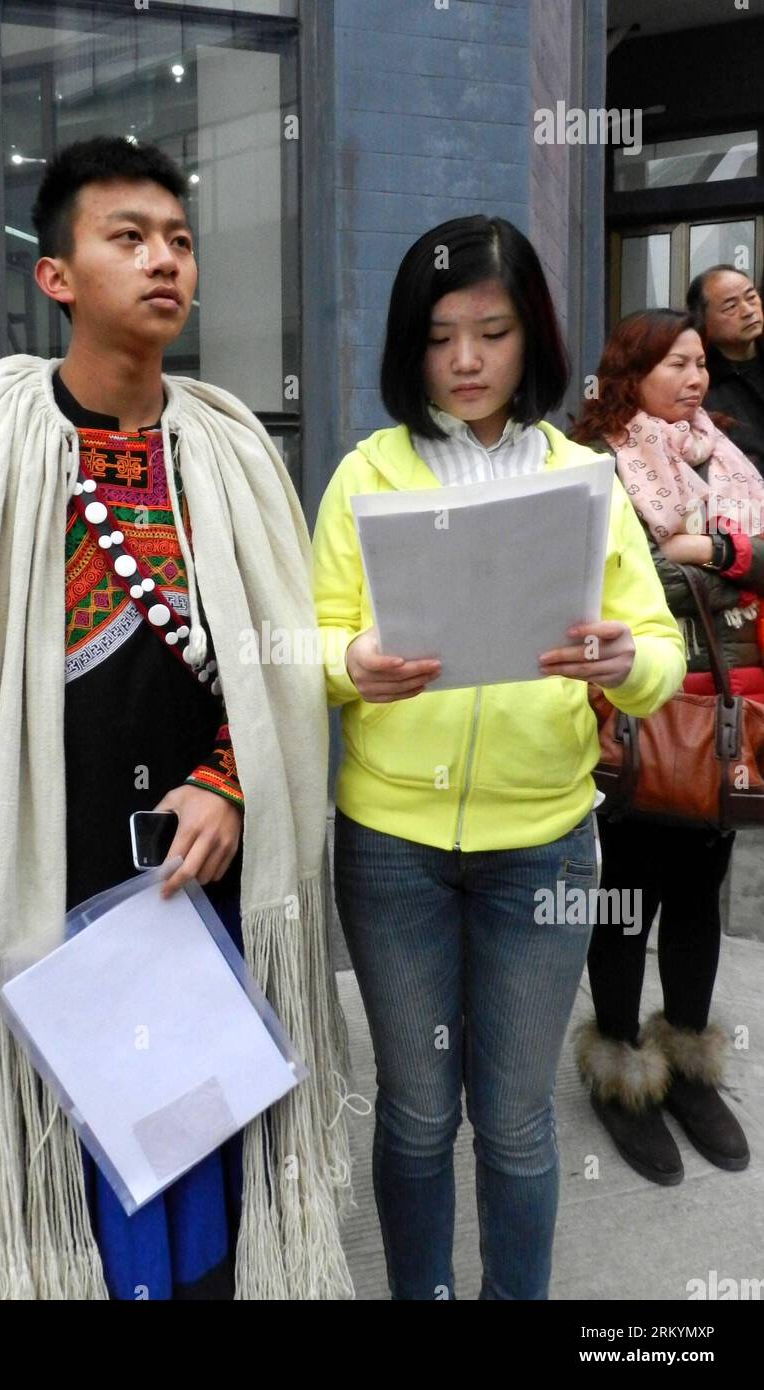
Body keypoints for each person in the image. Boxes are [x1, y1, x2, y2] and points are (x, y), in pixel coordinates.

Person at [0, 137, 352, 1301]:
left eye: (178, 239)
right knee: (59, 1159)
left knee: (199, 1138)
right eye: (128, 238)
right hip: (36, 860)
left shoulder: (231, 450)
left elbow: (276, 677)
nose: (163, 260)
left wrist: (230, 781)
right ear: (56, 276)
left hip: (198, 863)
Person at [311, 215, 685, 1300]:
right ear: (408, 345)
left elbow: (657, 651)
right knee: (420, 1112)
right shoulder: (365, 475)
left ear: (533, 339)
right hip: (392, 847)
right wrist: (350, 660)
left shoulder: (584, 478)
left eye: (493, 330)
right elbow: (307, 637)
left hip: (543, 850)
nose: (466, 360)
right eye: (439, 336)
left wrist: (624, 662)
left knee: (517, 1121)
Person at [571, 308, 754, 1184]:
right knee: (624, 894)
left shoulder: (724, 453)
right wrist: (719, 566)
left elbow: (739, 563)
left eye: (701, 364)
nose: (695, 379)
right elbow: (622, 585)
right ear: (630, 371)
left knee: (698, 893)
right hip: (638, 720)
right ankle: (619, 1070)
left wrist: (714, 549)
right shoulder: (599, 465)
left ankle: (683, 1062)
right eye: (676, 364)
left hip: (723, 717)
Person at [686, 264, 764, 470]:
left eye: (751, 297)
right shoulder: (698, 386)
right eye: (731, 307)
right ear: (703, 321)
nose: (748, 311)